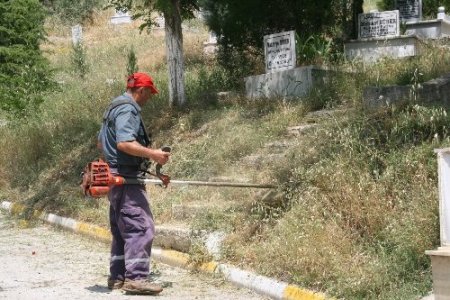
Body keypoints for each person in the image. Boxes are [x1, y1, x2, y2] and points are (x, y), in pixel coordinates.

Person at [97, 72, 170, 295]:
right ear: (141, 90)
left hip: (117, 175)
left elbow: (101, 143)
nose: (149, 98)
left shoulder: (113, 106)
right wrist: (154, 155)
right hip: (125, 178)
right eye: (149, 93)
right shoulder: (128, 109)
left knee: (122, 228)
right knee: (141, 226)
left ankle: (118, 276)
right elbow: (125, 143)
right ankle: (137, 278)